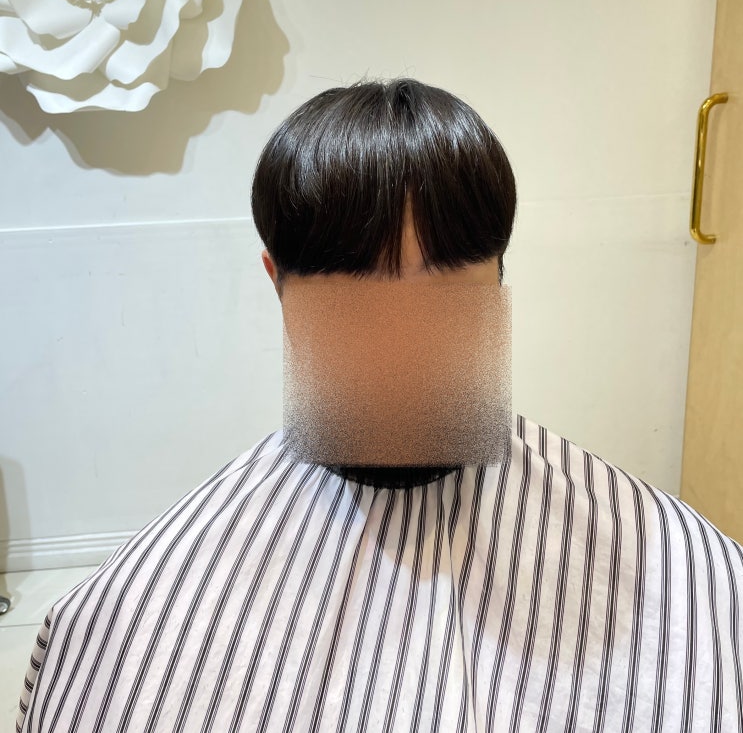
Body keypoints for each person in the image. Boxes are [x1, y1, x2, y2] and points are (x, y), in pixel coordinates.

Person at [17, 78, 743, 732]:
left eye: (446, 294)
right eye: (351, 302)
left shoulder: (703, 581)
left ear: (499, 279)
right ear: (276, 283)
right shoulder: (119, 616)